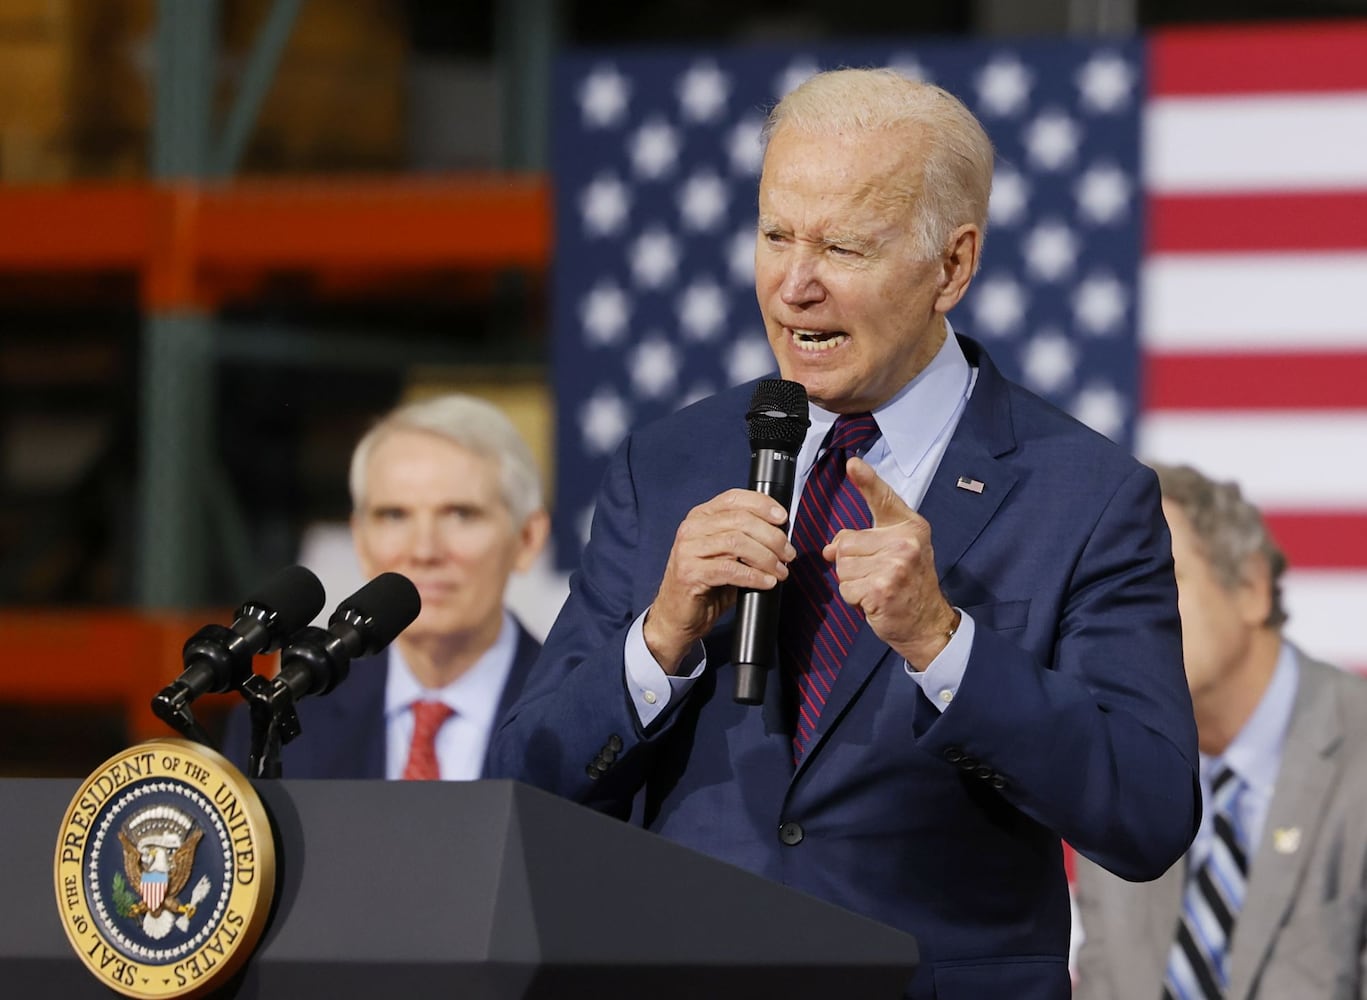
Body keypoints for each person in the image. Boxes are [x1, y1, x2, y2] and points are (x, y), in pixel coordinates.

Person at [487, 69, 1198, 999]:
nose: (793, 284)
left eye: (843, 248)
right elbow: (519, 785)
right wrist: (656, 642)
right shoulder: (665, 465)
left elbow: (1144, 815)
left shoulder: (1085, 495)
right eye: (775, 234)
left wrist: (943, 645)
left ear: (952, 266)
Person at [1073, 463, 1367, 1000]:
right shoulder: (1114, 771)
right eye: (1105, 593)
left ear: (1252, 587)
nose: (1125, 620)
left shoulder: (1357, 756)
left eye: (1156, 580)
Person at [223, 392, 549, 780]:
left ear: (528, 539)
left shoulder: (589, 718)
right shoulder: (277, 722)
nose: (424, 551)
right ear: (360, 542)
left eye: (460, 514)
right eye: (394, 515)